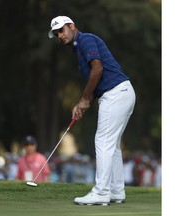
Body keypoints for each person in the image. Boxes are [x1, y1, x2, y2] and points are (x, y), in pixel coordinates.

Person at [48, 16, 136, 205]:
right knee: (112, 145)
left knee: (103, 141)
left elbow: (98, 69)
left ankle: (101, 192)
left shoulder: (85, 39)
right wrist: (83, 104)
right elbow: (95, 80)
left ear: (72, 26)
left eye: (62, 30)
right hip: (122, 92)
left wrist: (84, 99)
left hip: (116, 93)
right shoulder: (78, 48)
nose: (60, 35)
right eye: (57, 34)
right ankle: (116, 191)